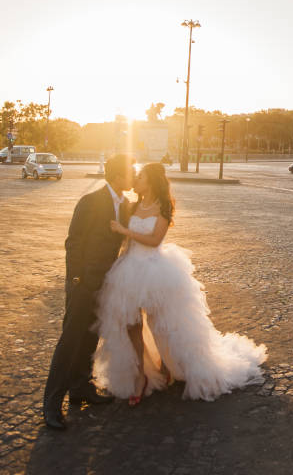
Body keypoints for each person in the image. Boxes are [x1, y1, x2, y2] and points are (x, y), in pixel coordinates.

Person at [93, 163, 266, 402]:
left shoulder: (163, 208)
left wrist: (125, 230)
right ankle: (142, 374)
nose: (136, 179)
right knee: (131, 323)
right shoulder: (132, 205)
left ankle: (166, 366)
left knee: (159, 323)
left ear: (151, 181)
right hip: (130, 269)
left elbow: (154, 240)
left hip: (155, 270)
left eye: (141, 176)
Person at [42, 153, 135, 430]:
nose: (132, 176)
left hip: (107, 283)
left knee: (89, 337)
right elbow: (73, 242)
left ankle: (80, 388)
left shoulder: (127, 205)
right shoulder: (91, 201)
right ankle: (51, 403)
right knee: (70, 341)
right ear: (118, 176)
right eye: (130, 172)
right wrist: (77, 279)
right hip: (83, 282)